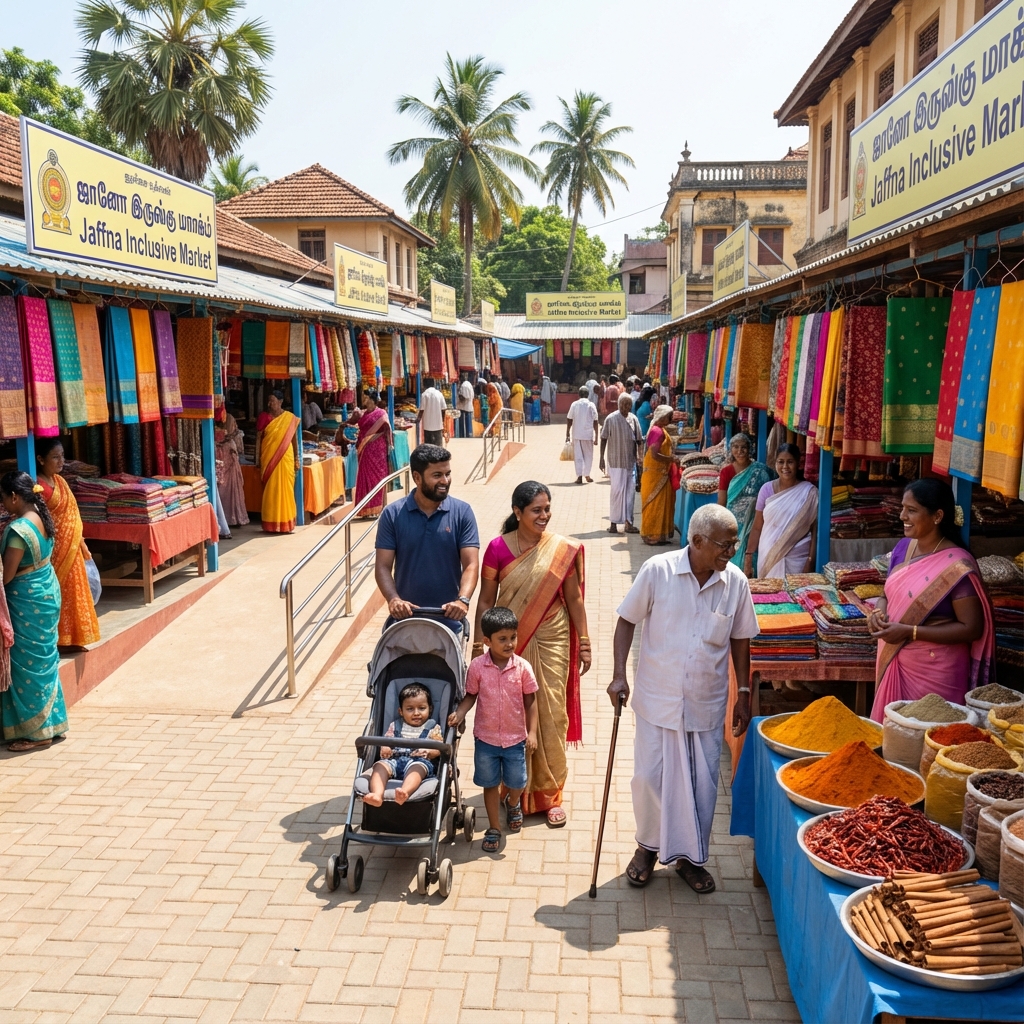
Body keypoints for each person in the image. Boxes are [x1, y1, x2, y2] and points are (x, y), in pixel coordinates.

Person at [609, 503, 758, 892]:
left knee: (702, 784)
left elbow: (740, 638)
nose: (731, 551)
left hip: (705, 703)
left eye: (734, 543)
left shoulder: (736, 582)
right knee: (649, 779)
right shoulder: (657, 571)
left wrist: (744, 692)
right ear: (696, 541)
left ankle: (689, 859)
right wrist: (618, 675)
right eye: (725, 545)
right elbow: (626, 619)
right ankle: (646, 848)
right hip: (657, 700)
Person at [476, 481, 590, 825]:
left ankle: (550, 793)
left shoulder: (561, 549)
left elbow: (574, 600)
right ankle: (513, 791)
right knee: (510, 714)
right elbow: (486, 599)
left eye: (547, 508)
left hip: (553, 638)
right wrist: (479, 643)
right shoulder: (497, 549)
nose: (545, 516)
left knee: (551, 714)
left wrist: (584, 642)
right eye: (536, 510)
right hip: (510, 643)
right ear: (517, 512)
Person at [867, 479, 993, 721]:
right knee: (894, 739)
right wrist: (877, 614)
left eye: (912, 510)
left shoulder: (956, 566)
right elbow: (886, 595)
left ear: (937, 516)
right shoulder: (903, 548)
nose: (903, 515)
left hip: (936, 672)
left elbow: (972, 628)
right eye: (903, 508)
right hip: (896, 658)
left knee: (931, 742)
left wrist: (910, 632)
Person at [449, 606, 539, 853]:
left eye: (513, 637)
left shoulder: (522, 668)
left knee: (517, 782)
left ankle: (513, 803)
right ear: (487, 641)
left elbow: (531, 701)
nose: (510, 643)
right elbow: (470, 696)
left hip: (515, 739)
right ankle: (494, 828)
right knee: (489, 784)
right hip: (486, 740)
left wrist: (531, 733)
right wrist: (459, 713)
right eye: (502, 639)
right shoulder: (478, 667)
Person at [374, 443, 480, 633]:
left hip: (449, 622)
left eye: (447, 474)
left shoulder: (462, 512)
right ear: (417, 477)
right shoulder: (392, 514)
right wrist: (394, 599)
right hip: (405, 621)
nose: (445, 481)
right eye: (437, 475)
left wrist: (462, 600)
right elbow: (382, 566)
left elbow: (471, 564)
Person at [0, 471, 68, 752]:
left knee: (26, 663)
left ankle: (35, 732)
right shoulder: (40, 516)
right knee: (44, 662)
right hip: (46, 593)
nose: (3, 505)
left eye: (3, 499)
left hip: (26, 599)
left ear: (15, 497)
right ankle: (52, 723)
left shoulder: (18, 531)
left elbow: (6, 576)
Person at [34, 437, 100, 649]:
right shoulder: (38, 485)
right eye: (55, 457)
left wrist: (80, 542)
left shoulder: (60, 482)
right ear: (40, 459)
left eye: (62, 456)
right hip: (55, 550)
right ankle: (61, 639)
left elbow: (72, 515)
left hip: (72, 548)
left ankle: (77, 637)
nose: (61, 461)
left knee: (76, 590)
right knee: (61, 591)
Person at [363, 683, 444, 807]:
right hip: (394, 760)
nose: (416, 713)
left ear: (430, 709)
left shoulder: (433, 728)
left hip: (419, 761)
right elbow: (387, 740)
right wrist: (385, 747)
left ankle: (404, 792)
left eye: (422, 708)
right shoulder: (395, 725)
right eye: (410, 709)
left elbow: (439, 748)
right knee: (380, 766)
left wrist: (429, 751)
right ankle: (377, 795)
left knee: (417, 769)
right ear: (401, 711)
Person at [744, 443, 817, 579]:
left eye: (790, 462)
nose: (785, 467)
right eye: (781, 462)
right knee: (769, 596)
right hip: (768, 556)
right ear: (775, 463)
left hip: (797, 560)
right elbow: (757, 527)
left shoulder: (809, 493)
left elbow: (814, 532)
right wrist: (748, 558)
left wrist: (810, 562)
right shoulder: (766, 489)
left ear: (798, 464)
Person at [716, 433, 771, 569]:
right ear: (731, 449)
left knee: (753, 556)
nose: (740, 451)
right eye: (735, 447)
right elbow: (722, 501)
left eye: (743, 447)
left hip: (756, 521)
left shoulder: (760, 470)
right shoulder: (726, 472)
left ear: (750, 449)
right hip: (734, 523)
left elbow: (771, 492)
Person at [256, 390, 300, 534]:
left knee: (286, 489)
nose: (270, 404)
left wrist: (297, 459)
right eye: (269, 401)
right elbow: (258, 439)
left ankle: (286, 523)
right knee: (271, 490)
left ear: (280, 402)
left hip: (286, 457)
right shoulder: (264, 417)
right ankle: (270, 523)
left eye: (273, 401)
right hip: (269, 458)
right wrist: (257, 459)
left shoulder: (289, 418)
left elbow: (294, 440)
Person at [600, 392, 643, 535]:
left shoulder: (634, 419)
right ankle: (613, 524)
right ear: (619, 404)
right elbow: (604, 438)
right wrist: (601, 458)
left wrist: (640, 457)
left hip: (629, 463)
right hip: (615, 462)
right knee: (616, 493)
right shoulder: (611, 419)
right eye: (624, 404)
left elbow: (639, 440)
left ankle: (628, 523)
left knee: (630, 494)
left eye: (629, 404)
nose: (627, 407)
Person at [640, 405, 677, 545]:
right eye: (669, 416)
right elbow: (655, 454)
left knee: (659, 503)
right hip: (656, 473)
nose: (671, 419)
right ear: (662, 417)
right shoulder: (658, 431)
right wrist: (671, 459)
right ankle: (652, 535)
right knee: (654, 504)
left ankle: (658, 534)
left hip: (658, 473)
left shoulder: (658, 429)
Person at [354, 388, 392, 519]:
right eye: (365, 398)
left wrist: (389, 446)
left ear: (373, 400)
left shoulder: (381, 413)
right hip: (365, 451)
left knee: (378, 477)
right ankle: (365, 509)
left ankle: (378, 507)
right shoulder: (363, 414)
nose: (365, 401)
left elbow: (387, 430)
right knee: (364, 477)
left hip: (378, 450)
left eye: (367, 399)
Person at [215, 409, 250, 529]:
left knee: (223, 493)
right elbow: (238, 452)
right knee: (231, 494)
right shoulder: (231, 442)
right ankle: (233, 518)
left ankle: (226, 518)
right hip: (229, 470)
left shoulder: (216, 442)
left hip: (223, 471)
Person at [566, 386, 599, 484]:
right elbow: (596, 421)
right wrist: (596, 436)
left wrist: (567, 432)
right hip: (588, 435)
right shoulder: (591, 405)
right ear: (588, 395)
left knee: (578, 456)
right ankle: (587, 475)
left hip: (576, 434)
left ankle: (580, 476)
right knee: (588, 455)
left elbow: (569, 419)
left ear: (579, 395)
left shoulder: (574, 404)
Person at [417, 381, 447, 447]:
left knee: (428, 446)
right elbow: (444, 409)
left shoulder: (424, 394)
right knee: (438, 446)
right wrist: (442, 421)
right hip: (438, 425)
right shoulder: (439, 394)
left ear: (425, 385)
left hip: (427, 425)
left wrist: (418, 419)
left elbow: (421, 410)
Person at [457, 374, 475, 438]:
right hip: (468, 407)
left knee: (464, 425)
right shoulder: (468, 384)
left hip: (465, 408)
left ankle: (463, 436)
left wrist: (459, 396)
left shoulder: (464, 385)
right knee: (468, 425)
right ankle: (468, 435)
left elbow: (464, 397)